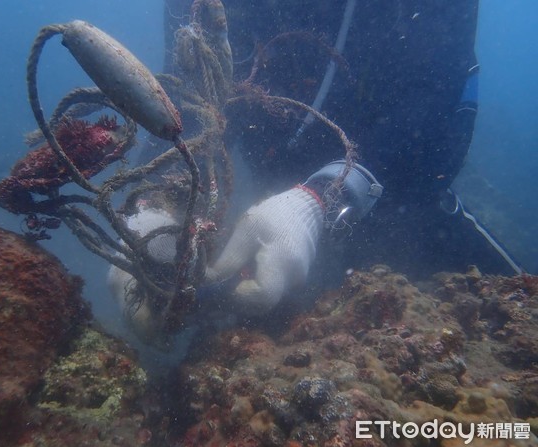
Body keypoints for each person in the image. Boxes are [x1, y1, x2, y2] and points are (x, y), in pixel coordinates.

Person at [110, 0, 523, 337]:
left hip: (397, 207)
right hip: (269, 209)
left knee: (511, 320)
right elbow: (189, 99)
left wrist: (321, 198)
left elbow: (439, 112)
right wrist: (156, 203)